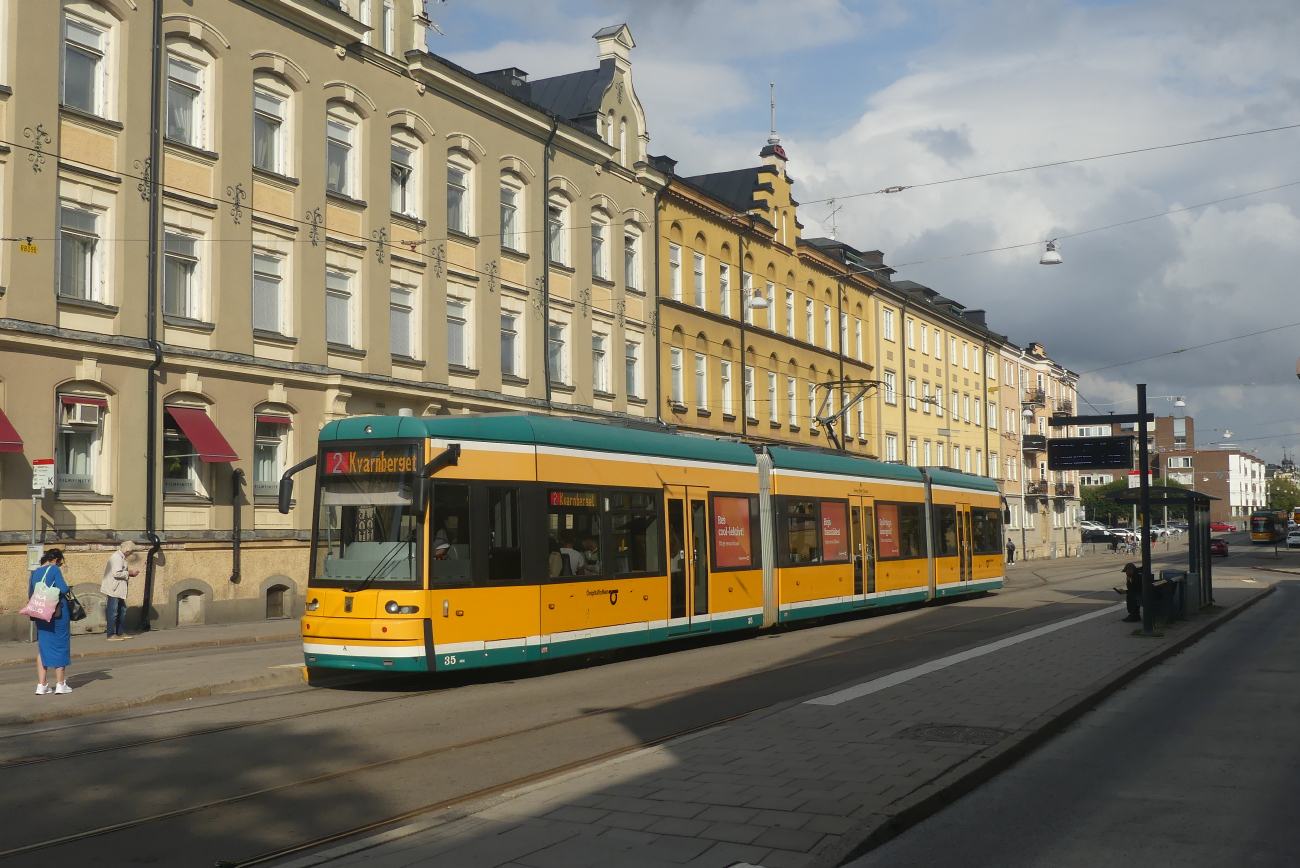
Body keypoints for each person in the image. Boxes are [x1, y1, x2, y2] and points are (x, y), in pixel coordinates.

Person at [30, 549, 73, 695]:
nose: (59, 565)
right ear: (56, 559)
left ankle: (41, 685)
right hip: (57, 614)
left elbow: (31, 593)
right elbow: (64, 588)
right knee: (60, 645)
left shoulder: (35, 572)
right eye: (60, 562)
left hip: (41, 613)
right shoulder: (54, 569)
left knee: (44, 648)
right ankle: (60, 684)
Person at [100, 540, 138, 641]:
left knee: (122, 610)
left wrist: (128, 573)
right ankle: (111, 634)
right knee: (113, 612)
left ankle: (120, 632)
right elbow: (116, 573)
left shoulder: (121, 557)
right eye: (131, 552)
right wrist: (129, 573)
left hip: (118, 589)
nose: (131, 554)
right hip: (114, 588)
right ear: (127, 550)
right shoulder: (117, 557)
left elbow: (120, 572)